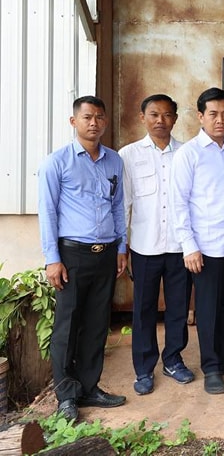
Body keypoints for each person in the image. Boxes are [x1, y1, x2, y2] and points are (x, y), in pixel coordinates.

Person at [39, 96, 128, 421]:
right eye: (88, 117)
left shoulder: (114, 160)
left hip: (106, 253)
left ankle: (90, 387)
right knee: (68, 325)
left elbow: (118, 205)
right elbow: (47, 212)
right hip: (72, 254)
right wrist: (52, 259)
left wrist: (121, 247)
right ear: (74, 121)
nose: (94, 123)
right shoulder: (57, 162)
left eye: (99, 117)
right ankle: (66, 395)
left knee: (96, 324)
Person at [171, 87, 224, 395]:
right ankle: (212, 366)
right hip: (206, 247)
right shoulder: (189, 154)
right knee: (208, 310)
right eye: (213, 114)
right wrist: (189, 246)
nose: (220, 120)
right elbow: (179, 203)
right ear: (200, 116)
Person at [119, 94, 194, 397]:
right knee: (144, 309)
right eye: (154, 114)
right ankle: (144, 367)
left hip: (179, 246)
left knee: (178, 307)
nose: (160, 121)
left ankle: (173, 360)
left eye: (166, 115)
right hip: (145, 247)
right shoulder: (129, 155)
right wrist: (122, 246)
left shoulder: (187, 153)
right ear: (143, 117)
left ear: (175, 118)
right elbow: (124, 204)